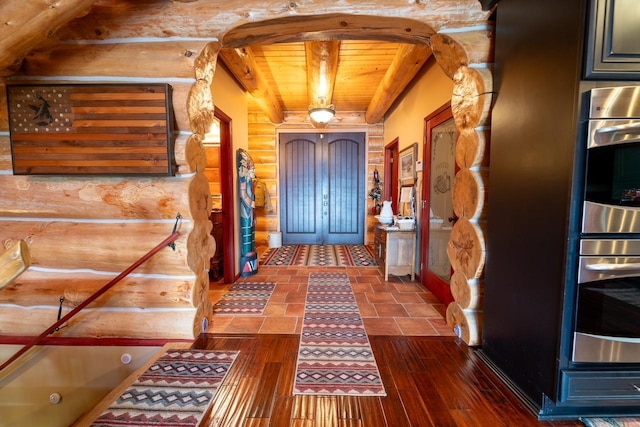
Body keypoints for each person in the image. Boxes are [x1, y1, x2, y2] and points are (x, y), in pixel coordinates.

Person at [237, 149, 258, 276]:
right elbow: (243, 194)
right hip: (246, 209)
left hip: (251, 209)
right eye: (251, 168)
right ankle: (247, 257)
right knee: (247, 232)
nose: (253, 171)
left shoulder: (251, 181)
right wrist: (251, 203)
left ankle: (252, 259)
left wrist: (254, 211)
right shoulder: (244, 180)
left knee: (252, 231)